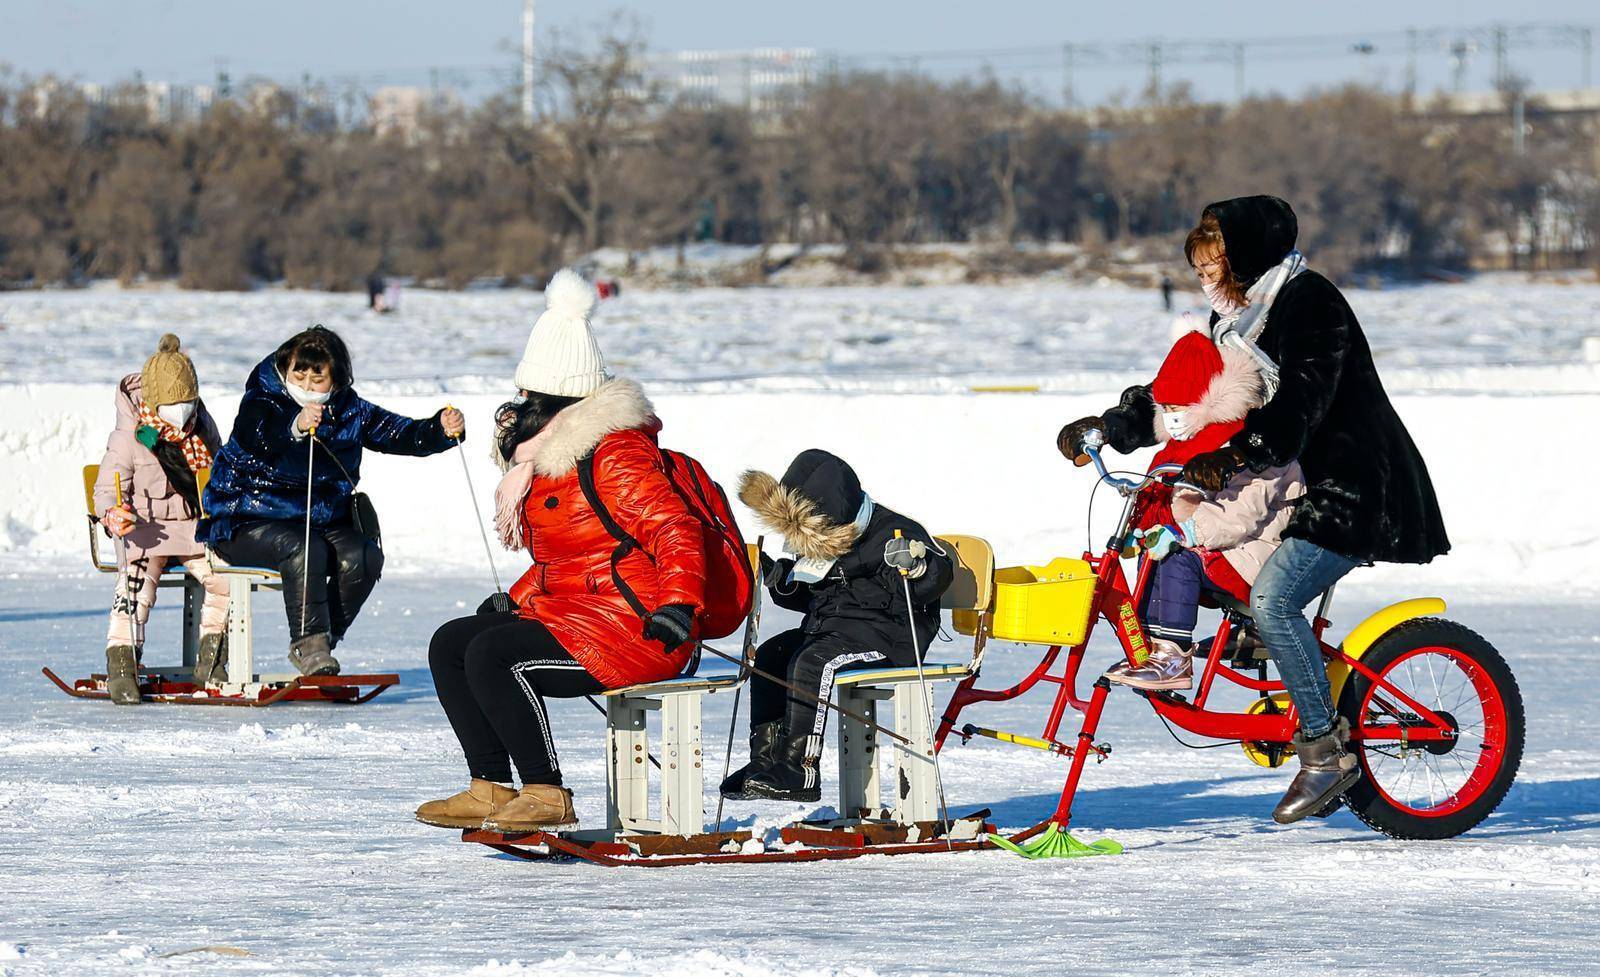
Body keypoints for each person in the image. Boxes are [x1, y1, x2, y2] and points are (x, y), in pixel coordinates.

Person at [1055, 195, 1449, 824]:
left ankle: (1325, 754)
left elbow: (1300, 406)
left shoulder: (1308, 303)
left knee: (1274, 598)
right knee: (1194, 555)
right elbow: (1187, 400)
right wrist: (1112, 427)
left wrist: (1236, 457)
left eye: (1215, 268)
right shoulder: (1239, 321)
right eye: (1200, 271)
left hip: (1349, 486)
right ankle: (1259, 662)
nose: (1206, 282)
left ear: (1248, 258)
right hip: (1281, 476)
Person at [418, 269, 706, 834]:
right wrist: (519, 597)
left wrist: (680, 605)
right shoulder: (548, 458)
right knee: (452, 643)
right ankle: (491, 787)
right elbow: (568, 557)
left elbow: (673, 529)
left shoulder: (614, 453)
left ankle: (547, 792)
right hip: (584, 616)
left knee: (494, 655)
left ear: (560, 400)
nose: (516, 404)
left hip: (642, 627)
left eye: (528, 395)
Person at [198, 325, 463, 677]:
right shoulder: (262, 400)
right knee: (304, 547)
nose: (306, 385)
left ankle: (321, 642)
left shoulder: (350, 410)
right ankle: (310, 645)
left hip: (319, 523)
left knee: (363, 556)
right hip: (244, 520)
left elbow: (398, 433)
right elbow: (258, 435)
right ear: (285, 367)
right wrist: (295, 425)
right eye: (299, 373)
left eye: (317, 377)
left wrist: (439, 429)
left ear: (336, 379)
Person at [721, 449, 953, 803]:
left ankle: (800, 768)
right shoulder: (821, 535)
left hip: (891, 637)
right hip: (834, 630)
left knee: (813, 661)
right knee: (771, 656)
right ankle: (766, 762)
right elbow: (811, 595)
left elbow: (934, 578)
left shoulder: (896, 533)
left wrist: (917, 567)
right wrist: (777, 576)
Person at [1104, 330, 1305, 691]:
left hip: (1256, 554)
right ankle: (1150, 646)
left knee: (1178, 557)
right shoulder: (1188, 441)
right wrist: (1148, 526)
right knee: (1157, 553)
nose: (1172, 418)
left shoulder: (1245, 443)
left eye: (1178, 408)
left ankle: (1173, 654)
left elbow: (1241, 513)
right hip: (1221, 547)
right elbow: (1164, 492)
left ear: (1203, 402)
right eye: (1165, 410)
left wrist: (1188, 534)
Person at [93, 334, 230, 703]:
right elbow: (105, 489)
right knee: (136, 588)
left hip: (193, 530)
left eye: (188, 402)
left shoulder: (203, 428)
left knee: (226, 582)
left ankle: (211, 660)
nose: (182, 411)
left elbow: (221, 474)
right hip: (146, 531)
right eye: (173, 404)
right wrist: (112, 513)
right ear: (154, 402)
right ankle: (122, 663)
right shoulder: (129, 437)